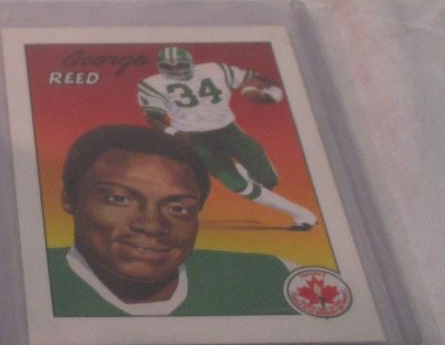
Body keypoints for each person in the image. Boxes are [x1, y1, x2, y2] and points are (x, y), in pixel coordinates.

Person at [48, 125, 295, 318]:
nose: (152, 225)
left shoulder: (274, 277)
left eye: (178, 208)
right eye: (119, 199)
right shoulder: (35, 282)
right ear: (69, 198)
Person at [135, 45, 318, 229]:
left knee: (269, 179)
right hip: (194, 139)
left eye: (180, 66)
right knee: (238, 185)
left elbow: (254, 77)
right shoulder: (152, 84)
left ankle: (244, 172)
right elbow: (154, 118)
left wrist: (269, 89)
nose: (175, 71)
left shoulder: (215, 69)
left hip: (229, 131)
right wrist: (172, 133)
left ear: (190, 63)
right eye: (169, 67)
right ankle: (302, 215)